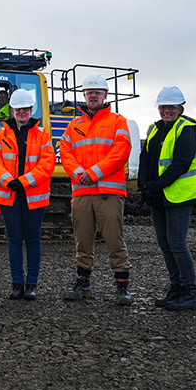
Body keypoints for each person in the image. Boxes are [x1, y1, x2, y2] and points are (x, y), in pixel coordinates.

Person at [60, 73, 133, 305]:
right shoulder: (74, 125)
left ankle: (122, 286)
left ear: (105, 95)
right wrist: (77, 173)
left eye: (97, 93)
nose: (93, 96)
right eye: (89, 93)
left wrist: (92, 174)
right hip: (82, 193)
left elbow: (120, 153)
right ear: (84, 95)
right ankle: (83, 283)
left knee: (114, 239)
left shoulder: (117, 122)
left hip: (108, 193)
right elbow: (66, 151)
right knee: (82, 240)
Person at [138, 86, 196, 310]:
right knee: (165, 244)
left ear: (180, 108)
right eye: (163, 107)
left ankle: (189, 292)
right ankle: (176, 288)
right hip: (160, 196)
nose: (166, 111)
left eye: (171, 107)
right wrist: (143, 185)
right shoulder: (154, 129)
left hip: (179, 196)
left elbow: (180, 165)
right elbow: (145, 158)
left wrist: (154, 186)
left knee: (177, 244)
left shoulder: (187, 129)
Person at [0, 89, 55, 300]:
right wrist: (9, 181)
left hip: (32, 195)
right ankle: (17, 284)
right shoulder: (1, 135)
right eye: (18, 109)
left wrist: (23, 182)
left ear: (31, 109)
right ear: (13, 110)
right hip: (9, 195)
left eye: (25, 109)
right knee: (14, 240)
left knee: (33, 240)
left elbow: (47, 163)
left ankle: (31, 284)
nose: (22, 112)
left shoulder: (43, 134)